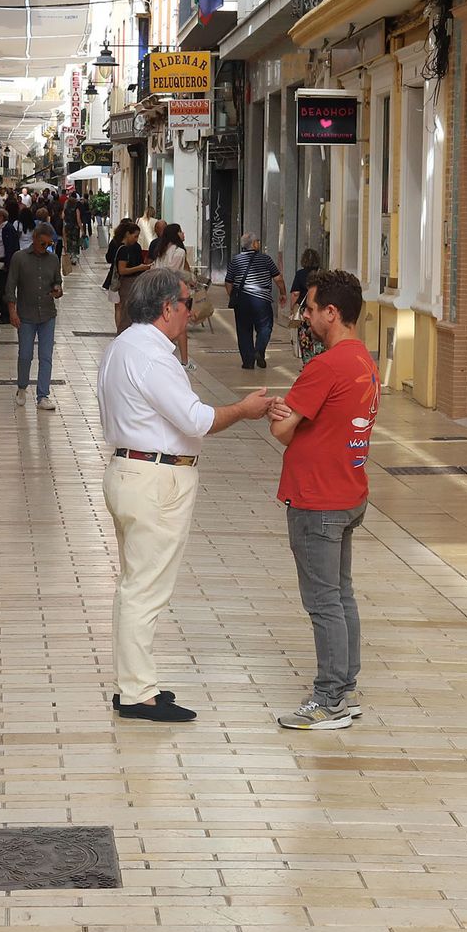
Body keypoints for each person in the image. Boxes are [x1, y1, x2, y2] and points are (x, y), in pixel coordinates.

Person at [98, 269, 275, 723]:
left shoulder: (122, 347)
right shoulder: (154, 357)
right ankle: (138, 694)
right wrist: (245, 409)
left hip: (128, 471)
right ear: (166, 309)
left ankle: (135, 683)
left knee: (134, 584)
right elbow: (196, 420)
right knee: (145, 589)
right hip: (155, 480)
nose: (191, 311)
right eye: (186, 302)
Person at [266, 270, 379, 730]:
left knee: (323, 603)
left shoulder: (325, 366)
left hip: (318, 499)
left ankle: (329, 697)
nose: (305, 316)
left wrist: (280, 411)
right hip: (348, 491)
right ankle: (345, 688)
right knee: (341, 595)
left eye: (310, 309)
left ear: (332, 313)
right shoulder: (364, 361)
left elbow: (281, 428)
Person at [7, 222, 65, 411]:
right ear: (34, 239)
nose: (45, 248)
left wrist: (57, 290)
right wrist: (12, 311)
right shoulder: (19, 258)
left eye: (49, 244)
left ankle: (43, 395)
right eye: (42, 243)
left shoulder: (53, 259)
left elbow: (58, 281)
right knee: (25, 355)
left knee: (46, 356)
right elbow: (10, 286)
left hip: (48, 314)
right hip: (26, 315)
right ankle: (22, 387)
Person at [224, 233, 287, 369]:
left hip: (242, 300)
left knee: (244, 330)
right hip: (262, 300)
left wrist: (233, 296)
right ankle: (259, 350)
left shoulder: (236, 260)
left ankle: (248, 361)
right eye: (257, 241)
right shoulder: (266, 259)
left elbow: (228, 282)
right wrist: (283, 293)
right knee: (265, 327)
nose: (259, 243)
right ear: (253, 244)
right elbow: (278, 279)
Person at [149, 224, 196, 371]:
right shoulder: (179, 252)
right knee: (181, 328)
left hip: (158, 290)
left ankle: (162, 356)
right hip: (174, 293)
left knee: (161, 324)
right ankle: (184, 360)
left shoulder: (160, 250)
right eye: (180, 231)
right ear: (176, 234)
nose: (183, 234)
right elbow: (172, 272)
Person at [107, 221, 150, 334]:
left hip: (123, 283)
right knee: (126, 314)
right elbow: (122, 270)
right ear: (127, 234)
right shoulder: (124, 249)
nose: (136, 239)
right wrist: (140, 268)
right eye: (135, 236)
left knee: (122, 310)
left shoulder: (120, 246)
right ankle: (122, 334)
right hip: (125, 283)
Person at [290, 248, 324, 364]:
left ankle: (308, 363)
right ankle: (319, 360)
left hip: (305, 310)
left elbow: (295, 294)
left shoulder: (300, 274)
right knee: (319, 335)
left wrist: (292, 308)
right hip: (320, 309)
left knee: (305, 337)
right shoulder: (322, 273)